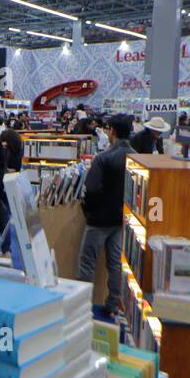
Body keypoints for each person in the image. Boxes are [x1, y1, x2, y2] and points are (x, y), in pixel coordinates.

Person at [77, 115, 133, 317]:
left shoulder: (103, 158)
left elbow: (90, 189)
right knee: (115, 263)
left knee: (87, 263)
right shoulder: (135, 156)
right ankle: (113, 304)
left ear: (112, 131)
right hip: (120, 219)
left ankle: (81, 307)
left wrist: (89, 210)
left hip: (99, 219)